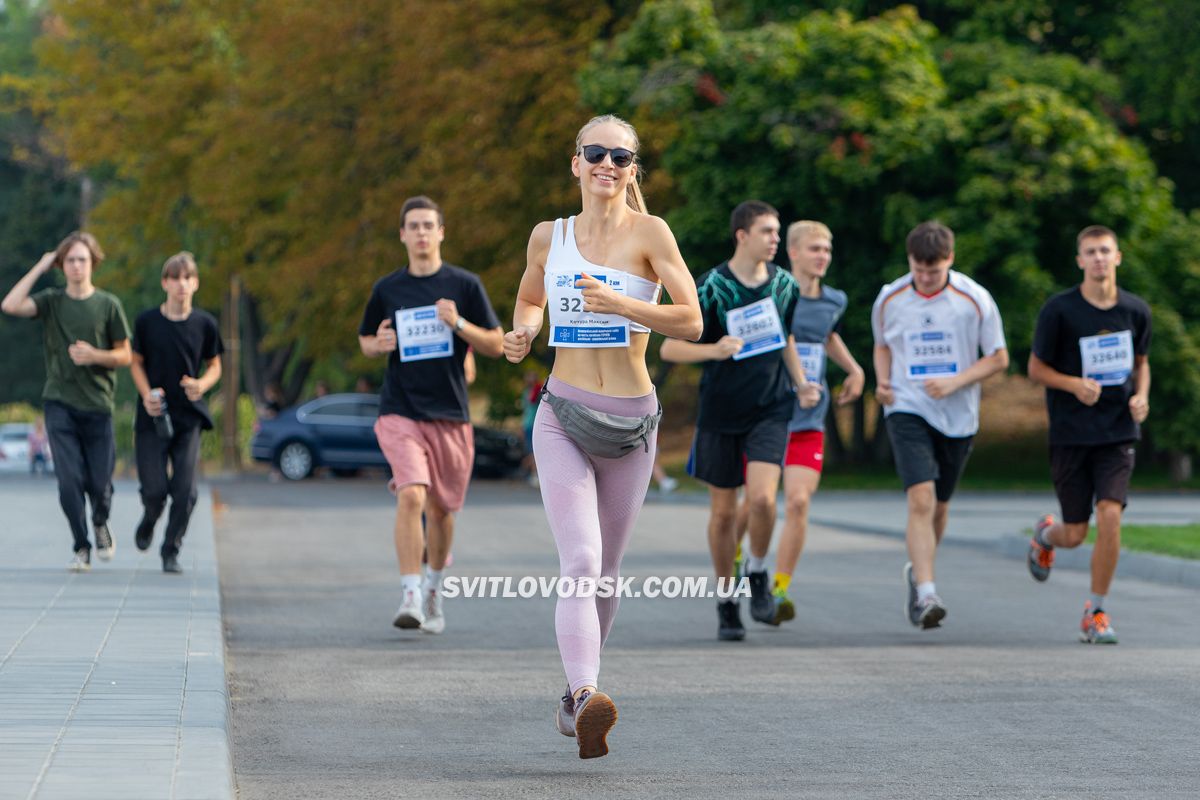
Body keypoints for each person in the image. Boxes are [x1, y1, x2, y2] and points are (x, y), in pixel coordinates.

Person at [503, 115, 700, 759]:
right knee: (581, 563)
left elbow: (692, 320)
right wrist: (525, 331)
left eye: (621, 155)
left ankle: (572, 697)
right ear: (575, 161)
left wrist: (624, 306)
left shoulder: (651, 233)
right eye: (596, 152)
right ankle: (589, 695)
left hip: (632, 423)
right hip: (562, 413)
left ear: (633, 168)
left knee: (608, 574)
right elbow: (530, 297)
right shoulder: (547, 236)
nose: (607, 164)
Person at [660, 200, 814, 642]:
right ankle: (727, 599)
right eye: (767, 231)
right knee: (724, 515)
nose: (775, 239)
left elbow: (786, 337)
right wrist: (713, 350)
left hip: (771, 407)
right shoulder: (709, 287)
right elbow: (670, 349)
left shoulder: (785, 285)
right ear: (742, 235)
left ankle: (759, 574)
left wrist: (801, 381)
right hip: (721, 411)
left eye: (777, 232)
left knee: (764, 501)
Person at [358, 195, 504, 635]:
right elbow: (366, 338)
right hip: (400, 409)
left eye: (429, 225)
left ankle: (434, 589)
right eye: (414, 226)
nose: (421, 233)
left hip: (451, 415)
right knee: (411, 494)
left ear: (441, 232)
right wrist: (377, 344)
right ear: (402, 234)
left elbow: (497, 344)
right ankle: (409, 593)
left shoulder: (464, 285)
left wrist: (458, 324)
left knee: (442, 512)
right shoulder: (387, 289)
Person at [872, 220, 1008, 629]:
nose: (926, 278)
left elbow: (999, 357)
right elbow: (882, 346)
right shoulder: (890, 297)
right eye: (919, 270)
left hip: (958, 414)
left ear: (950, 259)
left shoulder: (973, 299)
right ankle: (928, 592)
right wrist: (882, 380)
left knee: (940, 505)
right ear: (909, 261)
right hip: (907, 406)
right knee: (920, 499)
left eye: (934, 270)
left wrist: (956, 381)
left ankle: (918, 569)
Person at [1025, 225, 1151, 645]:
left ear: (1118, 257)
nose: (1099, 258)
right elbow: (1036, 369)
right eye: (1090, 252)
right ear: (1080, 260)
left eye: (1105, 251)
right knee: (1075, 534)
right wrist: (1074, 385)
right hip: (1071, 433)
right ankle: (1046, 534)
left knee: (1111, 514)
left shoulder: (1135, 310)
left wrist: (1141, 396)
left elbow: (1141, 362)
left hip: (1116, 432)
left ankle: (1095, 610)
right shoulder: (1059, 310)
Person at [1, 232, 131, 571]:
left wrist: (95, 355)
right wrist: (40, 265)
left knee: (100, 484)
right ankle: (81, 545)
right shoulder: (51, 302)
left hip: (98, 405)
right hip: (59, 403)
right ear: (62, 265)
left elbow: (125, 355)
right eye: (70, 260)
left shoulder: (108, 305)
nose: (76, 266)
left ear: (93, 263)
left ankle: (101, 522)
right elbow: (10, 305)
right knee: (69, 481)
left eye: (82, 260)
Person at [768, 220, 864, 624]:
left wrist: (854, 370)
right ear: (793, 252)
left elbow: (826, 336)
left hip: (809, 418)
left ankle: (780, 589)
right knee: (752, 507)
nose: (822, 256)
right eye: (814, 249)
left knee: (799, 501)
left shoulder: (834, 300)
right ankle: (740, 562)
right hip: (769, 417)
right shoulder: (772, 293)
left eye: (827, 249)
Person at [129, 252, 223, 574]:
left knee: (186, 492)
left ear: (195, 283)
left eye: (187, 278)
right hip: (153, 416)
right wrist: (145, 396)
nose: (181, 284)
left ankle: (171, 549)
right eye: (175, 278)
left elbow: (215, 366)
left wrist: (202, 384)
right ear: (164, 283)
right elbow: (135, 361)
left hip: (188, 417)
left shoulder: (205, 324)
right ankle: (149, 518)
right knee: (155, 491)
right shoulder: (146, 322)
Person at [520, 369, 543, 487]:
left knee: (535, 451)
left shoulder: (539, 391)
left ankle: (533, 473)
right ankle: (532, 473)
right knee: (531, 451)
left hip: (536, 424)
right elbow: (525, 410)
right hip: (528, 424)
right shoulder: (526, 392)